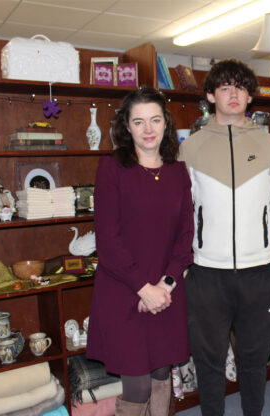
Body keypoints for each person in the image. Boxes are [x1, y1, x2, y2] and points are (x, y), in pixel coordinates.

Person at [179, 59, 270, 416]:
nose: (234, 94)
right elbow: (181, 214)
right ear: (211, 95)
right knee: (209, 364)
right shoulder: (190, 148)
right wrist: (185, 267)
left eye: (241, 88)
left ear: (250, 97)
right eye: (225, 87)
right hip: (205, 276)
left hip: (260, 275)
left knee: (254, 364)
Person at [86, 87, 194, 416]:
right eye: (139, 121)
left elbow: (186, 235)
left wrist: (166, 284)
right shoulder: (112, 169)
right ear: (127, 127)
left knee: (162, 373)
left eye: (155, 120)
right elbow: (108, 240)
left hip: (167, 292)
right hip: (124, 292)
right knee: (138, 384)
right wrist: (144, 289)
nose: (148, 129)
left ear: (165, 124)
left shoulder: (178, 172)